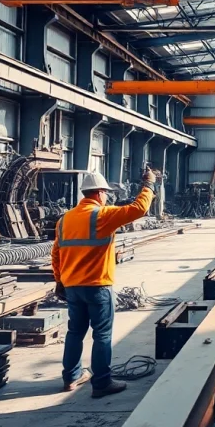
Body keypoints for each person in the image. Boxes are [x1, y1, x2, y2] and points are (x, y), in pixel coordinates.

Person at [52, 169, 155, 398]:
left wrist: (59, 280)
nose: (107, 197)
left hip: (72, 287)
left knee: (74, 332)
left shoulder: (65, 219)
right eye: (106, 193)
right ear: (99, 193)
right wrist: (148, 186)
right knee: (102, 334)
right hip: (97, 286)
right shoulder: (102, 215)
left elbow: (56, 253)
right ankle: (101, 383)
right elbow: (139, 209)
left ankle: (71, 377)